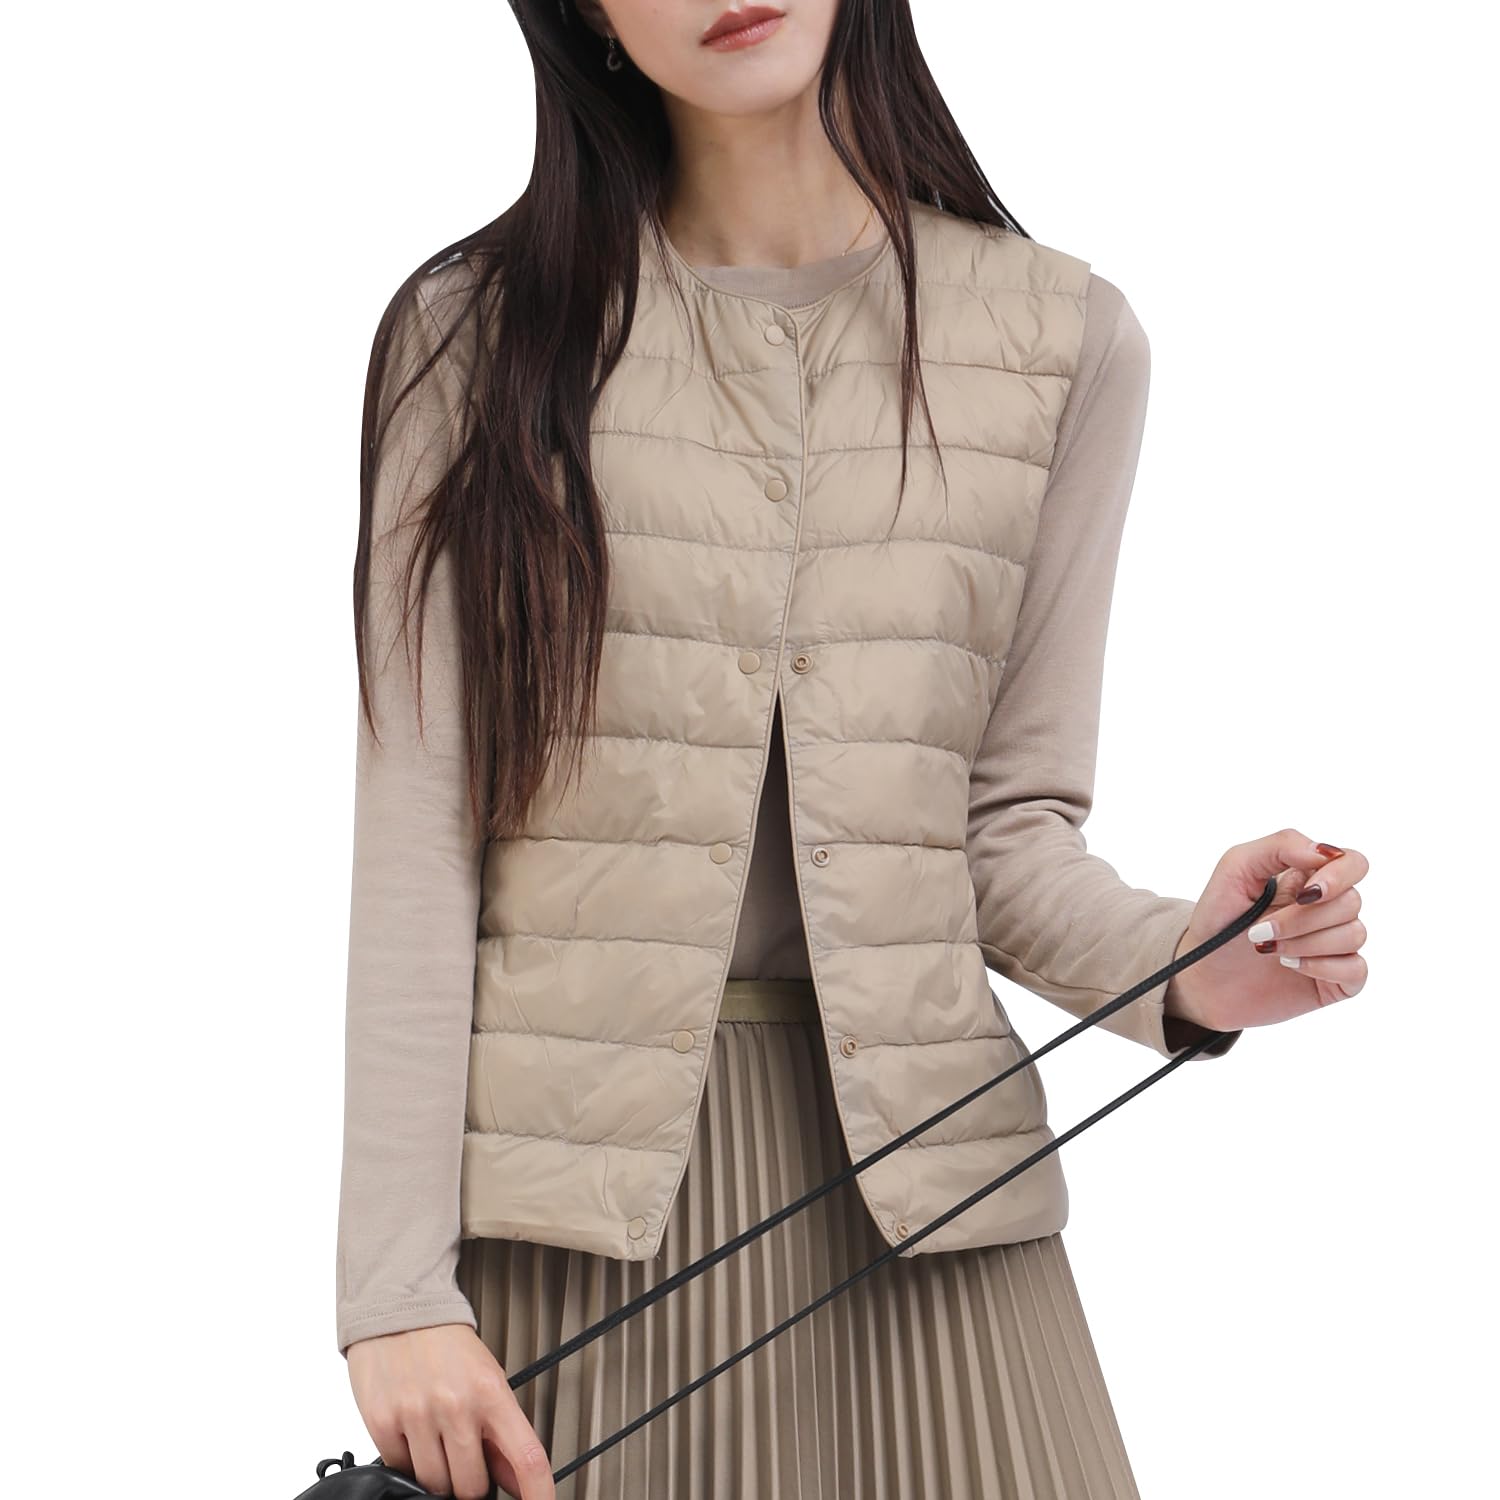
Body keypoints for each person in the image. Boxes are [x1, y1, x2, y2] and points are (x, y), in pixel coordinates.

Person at [333, 2, 1372, 1496]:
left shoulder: (1064, 341)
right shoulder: (477, 335)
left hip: (940, 1211)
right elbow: (418, 840)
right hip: (583, 1232)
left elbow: (997, 831)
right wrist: (393, 1297)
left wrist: (1186, 966)